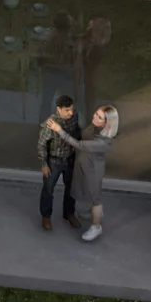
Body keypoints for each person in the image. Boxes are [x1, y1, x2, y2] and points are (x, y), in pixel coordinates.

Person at [50, 103, 120, 242]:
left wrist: (59, 130)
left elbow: (79, 145)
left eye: (99, 117)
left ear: (106, 123)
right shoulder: (94, 127)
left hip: (93, 170)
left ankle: (96, 226)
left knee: (95, 198)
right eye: (96, 113)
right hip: (84, 165)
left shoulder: (104, 142)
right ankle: (94, 213)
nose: (94, 117)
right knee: (87, 192)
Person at [37, 93, 82, 231]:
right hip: (54, 161)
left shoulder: (74, 116)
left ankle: (69, 213)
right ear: (59, 109)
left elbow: (77, 132)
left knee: (71, 188)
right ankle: (46, 215)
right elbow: (42, 144)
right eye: (67, 110)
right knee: (48, 189)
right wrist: (44, 164)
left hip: (70, 159)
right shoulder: (50, 123)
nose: (70, 112)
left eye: (72, 109)